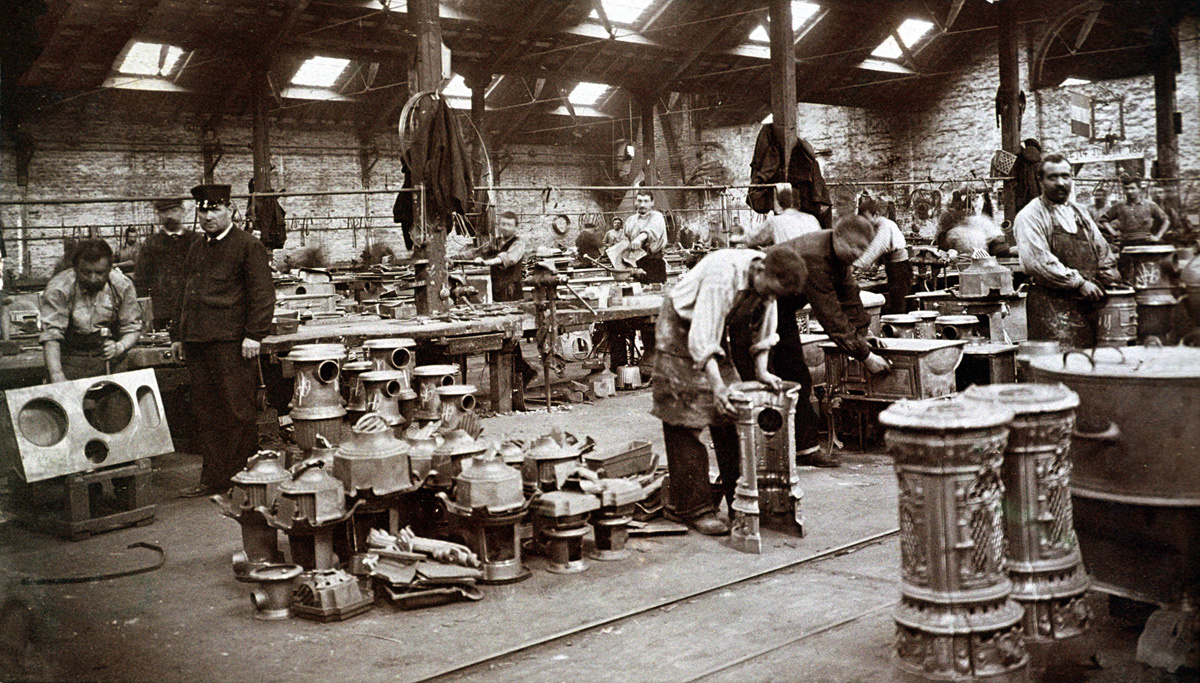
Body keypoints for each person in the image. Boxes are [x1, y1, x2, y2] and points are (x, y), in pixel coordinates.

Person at [651, 247, 808, 535]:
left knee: (732, 412)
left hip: (711, 331)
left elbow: (764, 329)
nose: (769, 298)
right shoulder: (723, 276)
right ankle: (694, 508)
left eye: (775, 295)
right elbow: (702, 337)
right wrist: (717, 387)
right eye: (769, 291)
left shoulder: (768, 284)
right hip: (679, 326)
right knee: (685, 416)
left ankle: (741, 500)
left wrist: (762, 371)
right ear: (760, 271)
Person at [171, 184, 275, 497]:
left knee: (237, 411)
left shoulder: (247, 245)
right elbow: (186, 294)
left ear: (230, 210)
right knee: (206, 412)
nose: (208, 216)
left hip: (231, 343)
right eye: (202, 210)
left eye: (215, 209)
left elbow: (262, 294)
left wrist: (254, 335)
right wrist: (178, 335)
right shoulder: (197, 247)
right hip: (198, 342)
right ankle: (214, 479)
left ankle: (241, 479)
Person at [773, 216, 894, 467]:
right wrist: (866, 356)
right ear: (838, 238)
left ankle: (801, 448)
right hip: (763, 305)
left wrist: (865, 333)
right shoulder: (815, 257)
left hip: (781, 307)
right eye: (854, 252)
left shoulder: (839, 254)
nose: (858, 257)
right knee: (790, 376)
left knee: (796, 377)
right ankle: (786, 449)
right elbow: (831, 316)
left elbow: (849, 296)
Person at [1015, 154, 1120, 348]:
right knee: (1057, 365)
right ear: (1041, 180)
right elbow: (1038, 262)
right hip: (1051, 307)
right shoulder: (1031, 216)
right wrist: (1079, 283)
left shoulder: (1080, 212)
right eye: (1053, 177)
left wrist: (1110, 279)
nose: (1061, 183)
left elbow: (1102, 250)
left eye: (1065, 176)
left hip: (1086, 305)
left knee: (1088, 363)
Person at [39, 238, 143, 382]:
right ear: (75, 268)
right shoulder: (59, 288)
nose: (93, 279)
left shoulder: (122, 285)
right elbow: (51, 336)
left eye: (100, 273)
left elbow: (132, 328)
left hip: (110, 362)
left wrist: (120, 347)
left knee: (116, 402)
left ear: (110, 268)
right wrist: (57, 375)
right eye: (86, 272)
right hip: (69, 361)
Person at [456, 211, 537, 385]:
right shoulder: (496, 242)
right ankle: (521, 373)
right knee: (506, 336)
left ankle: (523, 373)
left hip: (512, 293)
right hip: (498, 291)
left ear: (515, 227)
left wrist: (487, 262)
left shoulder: (518, 243)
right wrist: (454, 259)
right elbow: (477, 251)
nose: (505, 227)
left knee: (511, 333)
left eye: (509, 225)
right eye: (502, 224)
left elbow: (509, 259)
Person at [137, 197, 201, 331]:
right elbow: (141, 281)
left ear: (182, 211)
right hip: (163, 311)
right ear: (158, 215)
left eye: (173, 210)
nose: (169, 215)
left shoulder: (197, 241)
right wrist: (146, 315)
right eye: (164, 212)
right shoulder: (151, 244)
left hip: (194, 310)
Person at [855, 196, 912, 315]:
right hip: (892, 267)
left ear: (876, 214)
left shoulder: (885, 225)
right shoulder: (875, 227)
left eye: (866, 218)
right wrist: (875, 265)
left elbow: (877, 248)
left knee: (899, 303)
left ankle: (900, 328)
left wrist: (855, 266)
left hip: (900, 268)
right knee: (896, 299)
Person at [745, 182, 821, 248]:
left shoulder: (775, 221)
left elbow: (753, 238)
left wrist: (737, 238)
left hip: (789, 260)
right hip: (813, 261)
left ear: (778, 203)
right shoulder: (811, 219)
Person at [616, 189, 668, 284]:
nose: (642, 204)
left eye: (646, 201)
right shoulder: (630, 220)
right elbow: (625, 240)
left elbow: (651, 230)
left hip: (654, 263)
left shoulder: (657, 216)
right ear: (636, 202)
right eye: (640, 201)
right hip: (634, 264)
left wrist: (639, 239)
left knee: (655, 294)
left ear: (652, 203)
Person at [1100, 175, 1169, 246]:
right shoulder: (1119, 206)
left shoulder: (1150, 205)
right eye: (1126, 189)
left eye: (1132, 188)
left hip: (1146, 242)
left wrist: (1157, 237)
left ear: (1139, 189)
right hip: (1126, 243)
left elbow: (1165, 220)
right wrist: (1113, 232)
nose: (1129, 191)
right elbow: (1104, 219)